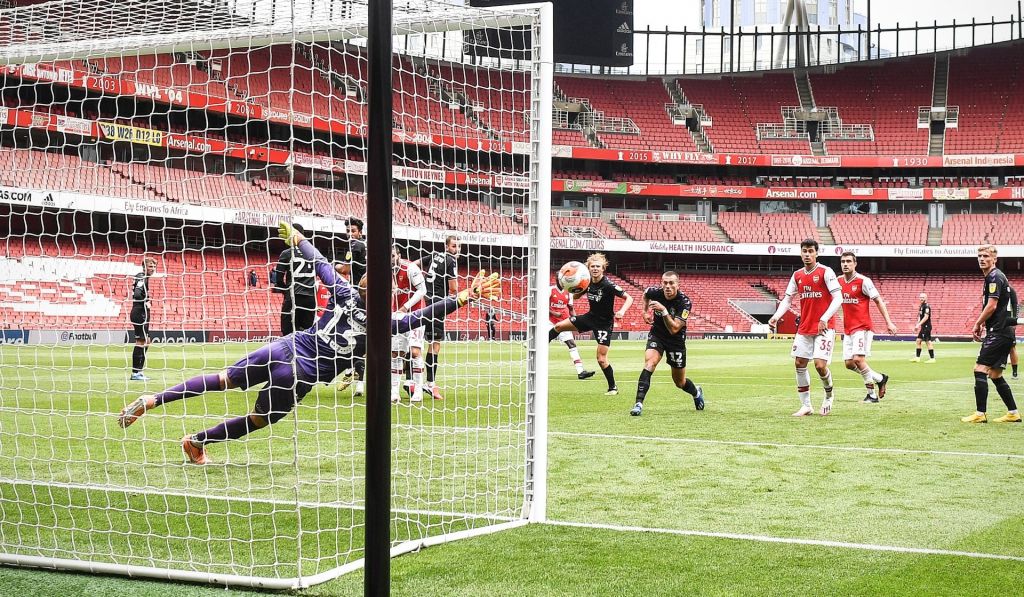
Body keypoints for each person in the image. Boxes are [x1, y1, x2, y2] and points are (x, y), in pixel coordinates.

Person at [117, 221, 500, 464]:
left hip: (283, 347)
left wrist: (298, 238)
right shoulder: (385, 323)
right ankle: (197, 441)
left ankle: (153, 399)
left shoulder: (344, 292)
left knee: (221, 379)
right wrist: (466, 296)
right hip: (300, 374)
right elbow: (425, 314)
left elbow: (319, 262)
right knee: (260, 418)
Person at [769, 239, 843, 417]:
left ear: (817, 253)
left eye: (810, 251)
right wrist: (776, 316)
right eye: (804, 251)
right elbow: (787, 299)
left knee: (820, 365)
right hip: (805, 327)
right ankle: (806, 405)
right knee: (799, 363)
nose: (807, 254)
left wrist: (824, 318)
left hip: (824, 327)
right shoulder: (797, 275)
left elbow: (838, 298)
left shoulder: (826, 271)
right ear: (801, 253)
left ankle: (829, 395)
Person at [548, 253, 633, 395]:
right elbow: (576, 296)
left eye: (598, 266)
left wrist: (622, 311)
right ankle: (541, 345)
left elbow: (629, 298)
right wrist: (573, 286)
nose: (595, 268)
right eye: (592, 266)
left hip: (604, 324)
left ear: (603, 268)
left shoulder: (608, 285)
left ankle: (613, 388)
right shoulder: (587, 282)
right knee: (558, 326)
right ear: (588, 268)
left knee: (601, 359)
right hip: (590, 318)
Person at [629, 271, 704, 416]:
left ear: (678, 285)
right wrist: (644, 312)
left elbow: (674, 329)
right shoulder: (655, 293)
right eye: (665, 283)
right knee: (649, 363)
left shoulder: (684, 302)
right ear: (661, 284)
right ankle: (638, 404)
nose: (668, 286)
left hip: (675, 341)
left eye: (671, 283)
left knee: (679, 382)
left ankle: (696, 392)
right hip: (657, 335)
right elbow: (646, 294)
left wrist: (663, 310)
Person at [961, 245, 1021, 424]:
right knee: (995, 374)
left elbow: (992, 305)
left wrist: (977, 323)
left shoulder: (994, 276)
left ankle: (980, 414)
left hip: (998, 332)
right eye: (979, 255)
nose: (982, 259)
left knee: (980, 369)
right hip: (1005, 332)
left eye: (986, 256)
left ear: (994, 258)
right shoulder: (999, 277)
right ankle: (1013, 413)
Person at [836, 252, 898, 404]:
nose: (845, 264)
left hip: (862, 328)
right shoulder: (838, 281)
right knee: (849, 364)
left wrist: (889, 322)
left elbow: (878, 301)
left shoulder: (864, 281)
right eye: (843, 261)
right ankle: (880, 378)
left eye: (849, 261)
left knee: (858, 359)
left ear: (855, 263)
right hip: (848, 329)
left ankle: (871, 395)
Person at [418, 236, 461, 401]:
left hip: (424, 301)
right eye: (454, 246)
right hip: (437, 304)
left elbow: (414, 264)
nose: (456, 249)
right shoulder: (451, 261)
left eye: (458, 246)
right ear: (447, 246)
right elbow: (453, 288)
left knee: (416, 342)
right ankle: (430, 383)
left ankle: (411, 381)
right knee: (435, 344)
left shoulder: (434, 254)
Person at [336, 218, 369, 395]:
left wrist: (332, 265)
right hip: (372, 295)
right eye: (348, 231)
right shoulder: (368, 245)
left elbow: (345, 270)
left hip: (360, 295)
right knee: (360, 337)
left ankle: (350, 372)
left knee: (352, 335)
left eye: (353, 231)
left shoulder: (355, 245)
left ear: (360, 232)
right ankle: (355, 378)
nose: (350, 234)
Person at [392, 245, 428, 403]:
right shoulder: (383, 271)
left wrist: (406, 307)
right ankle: (394, 391)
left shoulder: (410, 268)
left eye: (393, 256)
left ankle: (418, 389)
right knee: (396, 353)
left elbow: (422, 290)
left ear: (399, 255)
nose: (390, 259)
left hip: (416, 314)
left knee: (414, 352)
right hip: (396, 315)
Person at [273, 224, 317, 336]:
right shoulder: (314, 252)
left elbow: (278, 279)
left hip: (293, 296)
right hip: (310, 298)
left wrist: (286, 291)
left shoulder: (286, 253)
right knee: (307, 333)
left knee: (288, 332)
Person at [549, 283, 595, 379]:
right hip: (550, 322)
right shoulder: (550, 290)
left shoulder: (568, 293)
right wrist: (554, 313)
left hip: (563, 322)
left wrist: (578, 322)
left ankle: (580, 371)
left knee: (572, 344)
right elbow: (542, 306)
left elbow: (571, 308)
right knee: (543, 342)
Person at [129, 256, 158, 381]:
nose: (152, 268)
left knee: (147, 341)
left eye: (154, 266)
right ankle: (135, 373)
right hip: (139, 312)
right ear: (144, 267)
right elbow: (137, 293)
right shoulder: (141, 276)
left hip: (142, 312)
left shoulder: (144, 277)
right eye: (150, 266)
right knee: (141, 342)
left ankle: (139, 371)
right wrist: (145, 301)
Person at [911, 293, 935, 362]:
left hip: (927, 326)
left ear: (926, 298)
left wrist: (918, 325)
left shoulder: (927, 306)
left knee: (928, 342)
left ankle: (932, 358)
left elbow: (926, 317)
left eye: (923, 297)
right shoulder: (921, 306)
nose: (921, 298)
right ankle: (917, 358)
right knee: (918, 341)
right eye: (920, 297)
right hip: (923, 327)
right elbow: (920, 316)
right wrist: (917, 324)